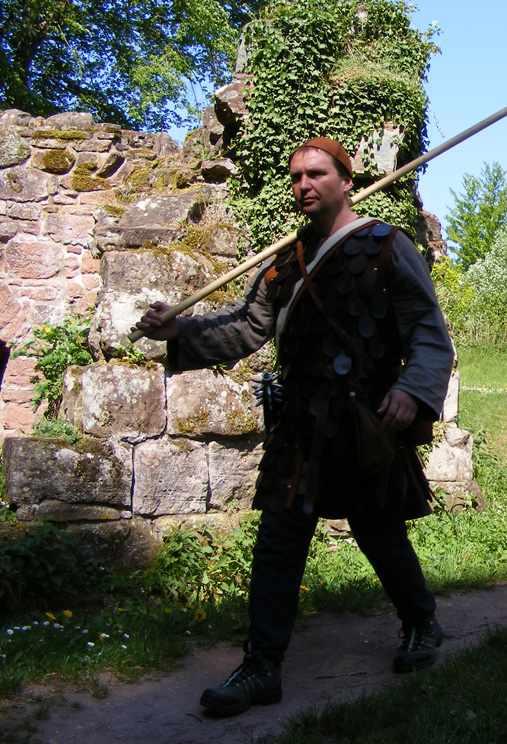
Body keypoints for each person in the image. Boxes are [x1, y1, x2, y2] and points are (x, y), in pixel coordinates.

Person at [134, 138, 454, 716]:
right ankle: (261, 666)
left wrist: (411, 391)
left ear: (346, 181)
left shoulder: (386, 245)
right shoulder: (286, 259)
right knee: (279, 541)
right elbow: (244, 329)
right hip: (299, 426)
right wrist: (179, 333)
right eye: (297, 176)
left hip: (364, 422)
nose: (304, 184)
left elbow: (429, 334)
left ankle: (421, 622)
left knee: (378, 531)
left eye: (317, 174)